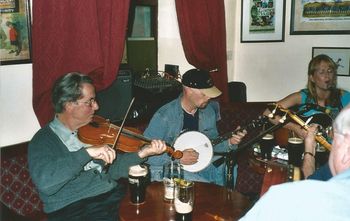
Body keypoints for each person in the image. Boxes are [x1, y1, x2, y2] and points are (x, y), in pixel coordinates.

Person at [28, 72, 167, 221]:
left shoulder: (92, 130)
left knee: (161, 210)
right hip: (74, 208)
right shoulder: (43, 140)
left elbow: (113, 169)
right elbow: (46, 184)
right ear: (69, 105)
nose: (97, 106)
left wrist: (142, 153)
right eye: (90, 101)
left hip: (111, 197)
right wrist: (86, 153)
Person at [240, 105, 350, 221]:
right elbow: (312, 183)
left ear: (346, 150)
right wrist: (300, 134)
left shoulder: (283, 198)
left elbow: (310, 186)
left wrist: (309, 149)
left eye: (334, 135)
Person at [143, 69, 246, 186]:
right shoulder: (164, 116)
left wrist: (229, 142)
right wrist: (178, 158)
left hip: (198, 164)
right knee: (201, 184)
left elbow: (210, 145)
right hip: (170, 168)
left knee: (227, 167)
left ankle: (225, 203)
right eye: (204, 94)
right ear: (188, 90)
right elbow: (146, 155)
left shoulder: (208, 112)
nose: (208, 98)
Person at [263, 54, 350, 180]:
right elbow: (267, 112)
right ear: (312, 78)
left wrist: (339, 133)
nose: (327, 76)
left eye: (330, 71)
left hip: (332, 157)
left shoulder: (344, 96)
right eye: (322, 72)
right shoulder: (303, 96)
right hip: (304, 153)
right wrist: (296, 128)